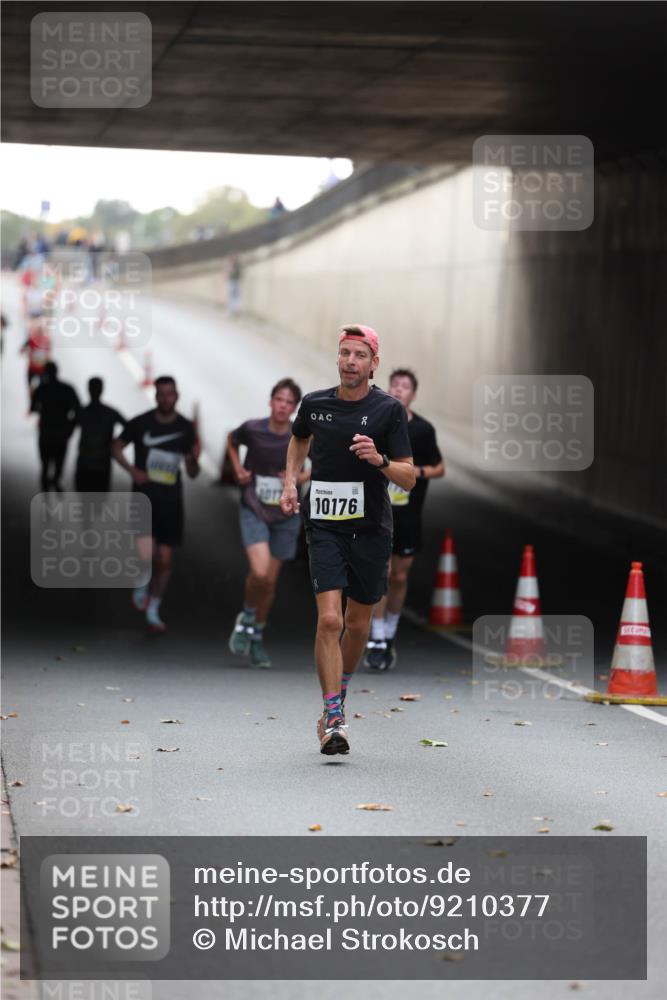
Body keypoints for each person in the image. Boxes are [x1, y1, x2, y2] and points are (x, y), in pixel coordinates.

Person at [280, 325, 415, 755]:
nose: (350, 362)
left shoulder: (388, 411)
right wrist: (290, 482)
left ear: (374, 364)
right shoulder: (315, 404)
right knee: (330, 621)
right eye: (344, 353)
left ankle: (339, 695)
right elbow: (299, 438)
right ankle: (334, 714)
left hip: (372, 528)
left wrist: (380, 460)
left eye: (359, 355)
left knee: (357, 624)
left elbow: (409, 477)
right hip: (324, 524)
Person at [365, 369, 445, 670]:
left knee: (399, 577)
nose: (399, 390)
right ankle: (376, 637)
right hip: (378, 514)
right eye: (395, 385)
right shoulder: (378, 423)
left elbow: (439, 467)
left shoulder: (423, 430)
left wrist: (416, 472)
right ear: (389, 388)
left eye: (405, 386)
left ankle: (389, 633)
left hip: (409, 516)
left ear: (413, 394)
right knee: (381, 574)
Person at [227, 378, 309, 668]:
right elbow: (231, 440)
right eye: (279, 400)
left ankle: (257, 637)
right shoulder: (253, 429)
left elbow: (322, 463)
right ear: (270, 401)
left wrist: (297, 477)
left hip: (286, 513)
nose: (282, 406)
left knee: (270, 582)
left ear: (294, 408)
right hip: (255, 507)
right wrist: (238, 469)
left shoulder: (301, 436)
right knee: (260, 573)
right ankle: (247, 618)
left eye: (289, 402)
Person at [112, 376, 200, 633]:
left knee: (164, 560)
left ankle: (153, 609)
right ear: (155, 395)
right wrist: (132, 471)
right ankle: (141, 581)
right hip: (144, 499)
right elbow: (116, 446)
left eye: (170, 393)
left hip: (171, 501)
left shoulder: (185, 427)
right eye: (161, 393)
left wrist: (193, 460)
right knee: (145, 554)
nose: (165, 398)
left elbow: (192, 472)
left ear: (177, 396)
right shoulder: (141, 423)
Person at [30, 361, 80, 491]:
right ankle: (56, 480)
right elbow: (78, 410)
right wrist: (71, 427)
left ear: (45, 373)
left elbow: (33, 408)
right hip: (62, 430)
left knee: (45, 463)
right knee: (59, 460)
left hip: (46, 430)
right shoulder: (67, 388)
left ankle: (45, 488)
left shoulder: (41, 389)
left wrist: (44, 409)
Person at [75, 377, 126, 493]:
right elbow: (129, 428)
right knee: (100, 497)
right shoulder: (111, 412)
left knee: (84, 496)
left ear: (88, 390)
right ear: (102, 390)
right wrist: (116, 443)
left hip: (85, 461)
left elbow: (67, 431)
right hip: (102, 462)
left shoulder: (82, 412)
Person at [21, 315, 52, 399]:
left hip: (39, 368)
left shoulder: (44, 339)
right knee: (34, 385)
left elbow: (48, 353)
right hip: (35, 367)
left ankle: (34, 397)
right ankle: (33, 396)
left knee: (39, 386)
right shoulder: (34, 339)